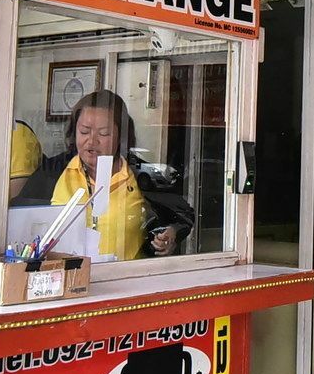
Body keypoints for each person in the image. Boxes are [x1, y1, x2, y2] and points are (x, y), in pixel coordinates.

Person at [14, 90, 191, 259]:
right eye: (84, 131)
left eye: (104, 133)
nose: (92, 141)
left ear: (121, 136)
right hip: (64, 277)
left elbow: (182, 215)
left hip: (126, 279)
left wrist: (171, 233)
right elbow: (20, 220)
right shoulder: (52, 171)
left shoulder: (138, 174)